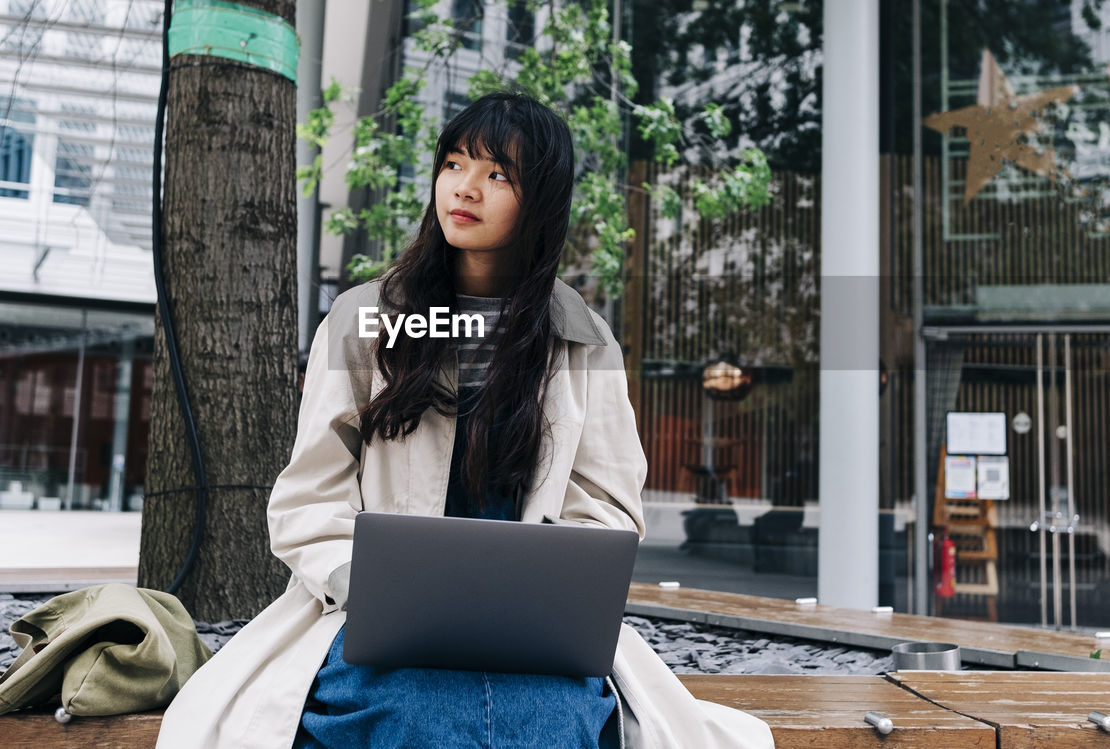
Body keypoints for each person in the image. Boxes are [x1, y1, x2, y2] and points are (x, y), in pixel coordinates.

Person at [156, 92, 773, 749]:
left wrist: (550, 591)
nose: (466, 187)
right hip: (376, 620)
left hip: (533, 632)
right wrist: (364, 585)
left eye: (497, 174)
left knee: (554, 723)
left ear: (540, 198)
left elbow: (607, 508)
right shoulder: (365, 320)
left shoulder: (583, 340)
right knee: (410, 714)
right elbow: (310, 495)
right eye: (454, 164)